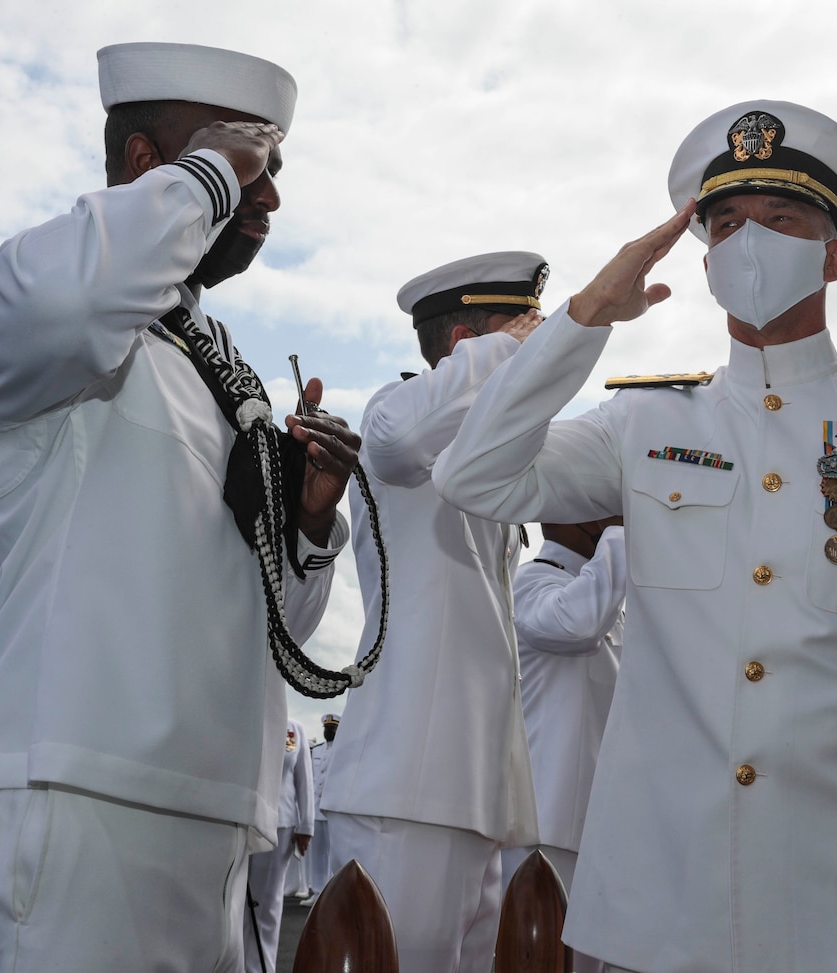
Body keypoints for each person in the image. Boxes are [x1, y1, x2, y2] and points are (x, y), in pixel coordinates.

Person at [434, 101, 837, 973]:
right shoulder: (642, 420)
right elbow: (471, 474)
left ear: (836, 255)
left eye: (781, 219)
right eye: (725, 223)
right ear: (704, 258)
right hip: (660, 902)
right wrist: (588, 314)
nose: (750, 240)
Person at [0, 42, 359, 972]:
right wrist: (212, 174)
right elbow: (74, 299)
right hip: (77, 806)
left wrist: (313, 524)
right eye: (252, 164)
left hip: (214, 826)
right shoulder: (21, 299)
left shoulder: (215, 376)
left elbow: (277, 622)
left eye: (271, 171)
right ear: (144, 168)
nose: (268, 196)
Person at [320, 253, 547, 973]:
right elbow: (396, 442)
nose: (538, 344)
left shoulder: (487, 451)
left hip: (473, 783)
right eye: (522, 330)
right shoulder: (397, 410)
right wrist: (514, 351)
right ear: (465, 347)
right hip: (407, 778)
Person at [501, 517, 626, 973]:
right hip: (544, 830)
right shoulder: (534, 580)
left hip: (594, 830)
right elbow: (578, 625)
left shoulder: (603, 594)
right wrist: (624, 533)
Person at [245, 718, 314, 973]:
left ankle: (260, 967)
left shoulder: (294, 728)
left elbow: (304, 780)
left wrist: (306, 825)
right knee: (230, 900)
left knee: (267, 904)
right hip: (237, 820)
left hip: (279, 826)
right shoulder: (240, 714)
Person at [302, 712, 340, 905]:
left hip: (332, 810)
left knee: (334, 854)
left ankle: (333, 894)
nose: (328, 731)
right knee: (317, 854)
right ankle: (317, 893)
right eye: (326, 728)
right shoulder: (316, 751)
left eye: (332, 728)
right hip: (316, 809)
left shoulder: (342, 750)